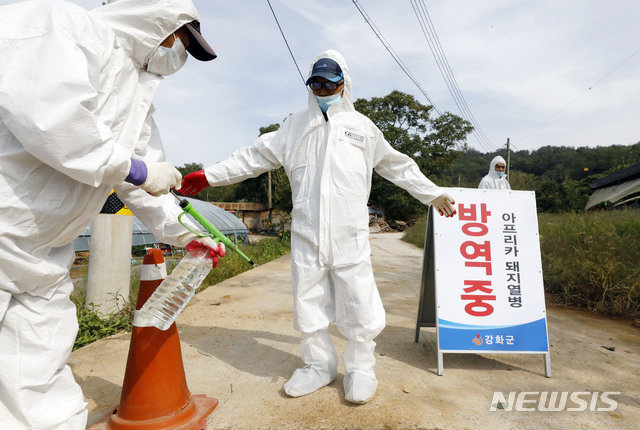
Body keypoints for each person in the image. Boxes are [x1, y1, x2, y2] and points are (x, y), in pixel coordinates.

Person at [178, 50, 456, 404]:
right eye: (317, 82)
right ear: (310, 85)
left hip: (349, 235)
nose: (323, 89)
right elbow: (253, 157)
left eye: (331, 82)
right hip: (308, 234)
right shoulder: (294, 125)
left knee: (358, 301)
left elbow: (397, 166)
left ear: (345, 84)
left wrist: (431, 194)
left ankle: (360, 369)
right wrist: (210, 175)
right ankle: (317, 366)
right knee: (308, 301)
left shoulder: (363, 128)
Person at [0, 1, 223, 428]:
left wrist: (182, 233)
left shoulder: (137, 89)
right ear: (152, 17)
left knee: (37, 368)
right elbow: (51, 121)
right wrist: (136, 169)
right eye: (177, 38)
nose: (176, 52)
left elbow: (142, 175)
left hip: (44, 251)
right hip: (6, 227)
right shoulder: (62, 24)